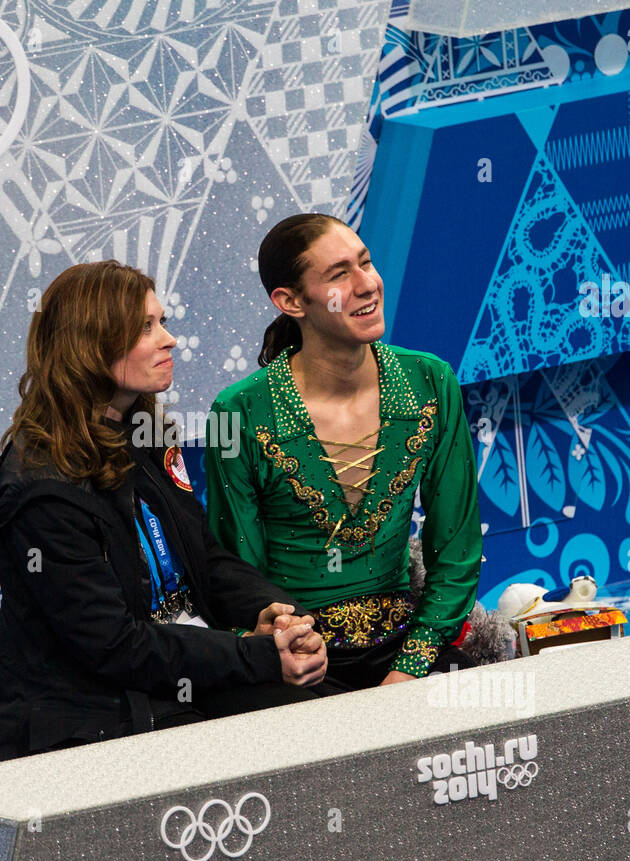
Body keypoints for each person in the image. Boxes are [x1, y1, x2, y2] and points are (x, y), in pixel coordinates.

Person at [0, 260, 333, 762]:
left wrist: (274, 614)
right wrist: (256, 657)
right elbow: (116, 646)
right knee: (305, 734)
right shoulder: (43, 487)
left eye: (162, 322)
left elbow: (203, 558)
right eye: (147, 327)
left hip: (166, 686)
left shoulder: (141, 432)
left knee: (333, 712)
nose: (169, 340)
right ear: (89, 347)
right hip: (92, 725)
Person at [205, 213, 482, 690]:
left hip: (410, 651)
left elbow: (455, 551)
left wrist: (410, 667)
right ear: (290, 301)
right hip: (298, 667)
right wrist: (282, 656)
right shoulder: (239, 412)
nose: (367, 284)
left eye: (366, 263)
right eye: (339, 274)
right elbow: (236, 574)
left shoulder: (431, 381)